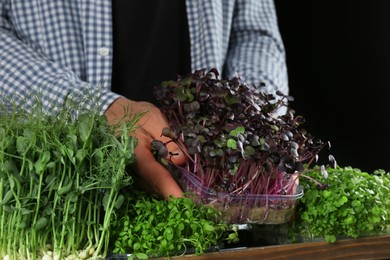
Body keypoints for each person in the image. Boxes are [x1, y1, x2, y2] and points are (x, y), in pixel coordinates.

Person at [0, 0, 288, 198]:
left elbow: (253, 32)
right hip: (61, 189)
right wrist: (92, 108)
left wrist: (257, 123)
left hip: (209, 187)